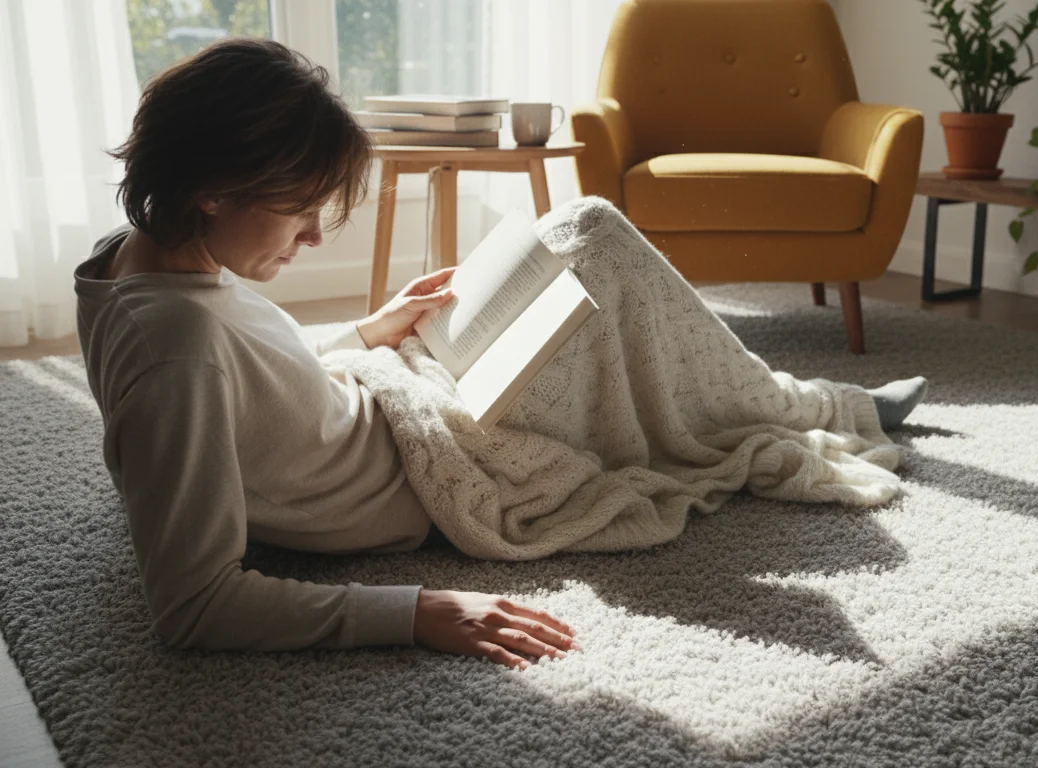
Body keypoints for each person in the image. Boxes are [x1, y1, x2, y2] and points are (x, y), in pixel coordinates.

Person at [74, 38, 928, 670]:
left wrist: (369, 331)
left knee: (584, 234)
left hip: (396, 392)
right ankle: (816, 406)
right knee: (612, 295)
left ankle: (800, 399)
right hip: (434, 458)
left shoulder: (137, 255)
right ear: (213, 190)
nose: (309, 234)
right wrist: (418, 610)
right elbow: (194, 603)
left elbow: (254, 384)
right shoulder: (173, 348)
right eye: (299, 209)